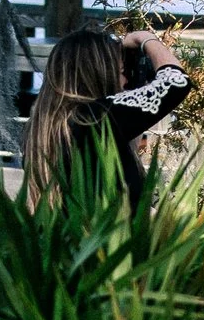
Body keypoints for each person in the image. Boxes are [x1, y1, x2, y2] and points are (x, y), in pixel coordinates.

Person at [24, 26, 192, 213]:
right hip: (110, 240)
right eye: (121, 71)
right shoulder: (97, 117)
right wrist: (145, 38)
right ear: (99, 72)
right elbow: (177, 82)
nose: (126, 80)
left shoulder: (47, 125)